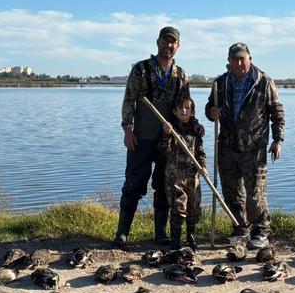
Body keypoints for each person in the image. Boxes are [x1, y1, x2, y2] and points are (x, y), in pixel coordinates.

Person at [115, 26, 194, 248]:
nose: (169, 45)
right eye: (165, 41)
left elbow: (186, 110)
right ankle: (122, 234)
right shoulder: (141, 70)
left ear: (178, 47)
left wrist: (191, 131)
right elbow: (129, 100)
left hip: (167, 142)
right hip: (140, 138)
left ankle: (160, 234)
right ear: (158, 42)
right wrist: (127, 130)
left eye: (173, 42)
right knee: (133, 185)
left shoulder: (181, 76)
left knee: (163, 186)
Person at [205, 42, 284, 249]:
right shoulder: (219, 83)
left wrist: (278, 140)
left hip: (254, 148)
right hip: (227, 147)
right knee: (231, 191)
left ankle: (260, 232)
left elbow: (277, 114)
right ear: (229, 61)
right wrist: (211, 113)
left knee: (255, 192)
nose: (239, 63)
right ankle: (240, 229)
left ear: (250, 58)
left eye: (243, 58)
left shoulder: (264, 82)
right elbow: (209, 108)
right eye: (235, 59)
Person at [159, 95, 206, 250]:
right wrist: (166, 134)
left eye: (187, 108)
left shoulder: (196, 130)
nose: (183, 111)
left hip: (193, 176)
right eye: (180, 108)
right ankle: (175, 239)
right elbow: (163, 150)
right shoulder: (170, 128)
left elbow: (200, 152)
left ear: (192, 112)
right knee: (178, 209)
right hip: (175, 177)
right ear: (175, 111)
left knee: (194, 208)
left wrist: (203, 166)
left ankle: (190, 236)